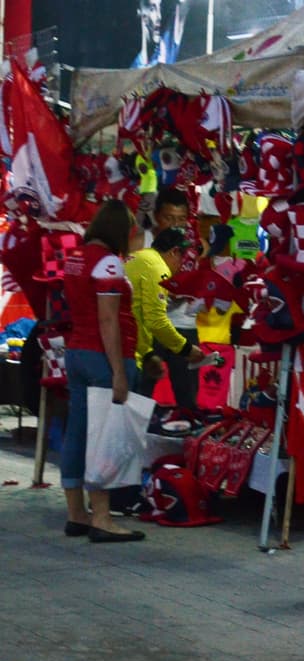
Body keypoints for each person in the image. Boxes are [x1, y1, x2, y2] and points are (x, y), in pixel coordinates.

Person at [61, 199, 146, 543]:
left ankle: (76, 514)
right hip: (103, 357)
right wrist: (118, 373)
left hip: (77, 352)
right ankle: (102, 518)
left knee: (77, 434)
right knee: (105, 439)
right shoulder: (109, 263)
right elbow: (108, 318)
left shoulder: (76, 258)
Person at [128, 226, 205, 407]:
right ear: (174, 252)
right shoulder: (156, 269)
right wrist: (186, 349)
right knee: (136, 403)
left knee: (134, 402)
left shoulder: (141, 257)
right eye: (181, 259)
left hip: (130, 336)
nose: (180, 266)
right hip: (133, 340)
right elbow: (156, 321)